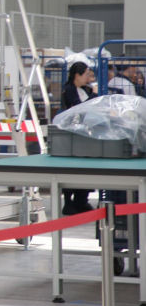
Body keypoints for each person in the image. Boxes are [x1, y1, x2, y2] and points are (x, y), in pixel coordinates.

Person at [59, 62, 96, 215]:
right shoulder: (68, 90)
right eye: (86, 74)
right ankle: (69, 203)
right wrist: (93, 96)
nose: (88, 77)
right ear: (77, 75)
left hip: (86, 133)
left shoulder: (86, 89)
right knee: (71, 169)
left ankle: (81, 200)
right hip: (72, 134)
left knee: (87, 169)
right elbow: (77, 108)